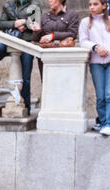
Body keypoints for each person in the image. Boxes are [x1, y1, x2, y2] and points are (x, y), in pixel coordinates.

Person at [0, 0, 42, 115]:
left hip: (27, 43)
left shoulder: (35, 5)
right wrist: (15, 24)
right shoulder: (9, 4)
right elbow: (0, 23)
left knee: (25, 77)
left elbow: (38, 23)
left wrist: (24, 22)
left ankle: (26, 107)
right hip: (11, 40)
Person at [79, 0, 110, 135]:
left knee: (109, 94)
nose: (92, 7)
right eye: (90, 4)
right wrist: (96, 47)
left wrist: (106, 50)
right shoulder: (85, 22)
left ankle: (108, 124)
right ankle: (103, 122)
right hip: (96, 63)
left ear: (104, 5)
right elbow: (83, 41)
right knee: (100, 96)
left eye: (95, 4)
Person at [32, 0, 79, 79]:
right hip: (46, 57)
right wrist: (37, 31)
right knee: (46, 84)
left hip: (64, 56)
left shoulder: (72, 14)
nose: (49, 1)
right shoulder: (44, 16)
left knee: (65, 83)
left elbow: (72, 34)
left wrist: (53, 36)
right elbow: (36, 39)